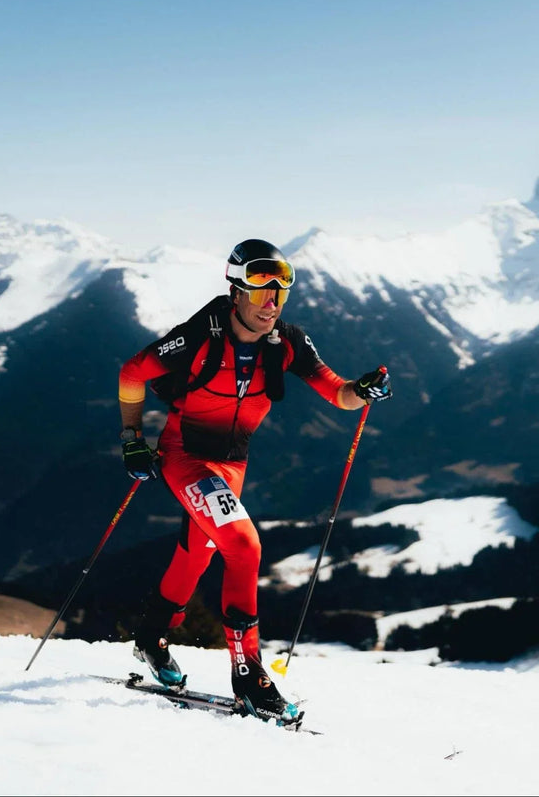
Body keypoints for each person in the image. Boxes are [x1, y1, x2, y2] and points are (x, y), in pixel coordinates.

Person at [117, 238, 392, 725]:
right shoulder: (201, 335)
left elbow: (338, 394)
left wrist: (362, 390)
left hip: (233, 465)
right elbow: (133, 372)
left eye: (282, 287)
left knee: (197, 552)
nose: (273, 300)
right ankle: (248, 676)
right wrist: (132, 438)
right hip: (186, 457)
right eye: (263, 284)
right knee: (243, 547)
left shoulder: (287, 342)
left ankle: (151, 637)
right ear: (236, 287)